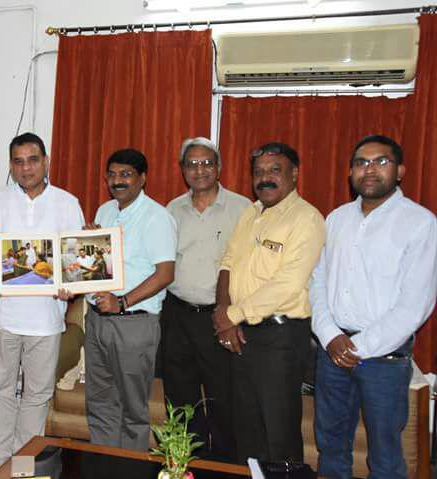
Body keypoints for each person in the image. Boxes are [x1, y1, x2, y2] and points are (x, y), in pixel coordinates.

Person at [310, 135, 437, 479]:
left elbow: (415, 304)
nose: (369, 169)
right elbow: (318, 281)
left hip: (384, 359)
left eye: (381, 161)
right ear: (350, 172)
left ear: (400, 171)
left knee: (385, 455)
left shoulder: (420, 223)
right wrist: (330, 336)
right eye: (361, 163)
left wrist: (356, 347)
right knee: (330, 446)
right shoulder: (336, 219)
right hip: (332, 351)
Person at [0, 132, 84, 478]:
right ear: (11, 165)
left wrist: (71, 287)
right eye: (18, 161)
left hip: (46, 321)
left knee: (37, 396)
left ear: (45, 162)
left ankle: (21, 466)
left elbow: (74, 263)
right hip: (3, 317)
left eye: (33, 160)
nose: (26, 168)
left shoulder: (68, 203)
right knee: (1, 391)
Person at [212, 142, 325, 464]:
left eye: (275, 170)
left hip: (280, 338)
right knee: (246, 430)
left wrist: (232, 315)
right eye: (259, 172)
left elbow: (289, 283)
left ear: (294, 173)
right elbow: (228, 262)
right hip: (241, 332)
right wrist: (224, 313)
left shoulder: (307, 219)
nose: (265, 178)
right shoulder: (251, 212)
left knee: (279, 433)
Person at [163, 137, 251, 459]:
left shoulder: (243, 208)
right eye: (192, 164)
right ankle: (186, 464)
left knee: (224, 399)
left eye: (206, 163)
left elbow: (250, 265)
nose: (199, 170)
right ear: (182, 169)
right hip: (177, 315)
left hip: (220, 318)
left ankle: (224, 467)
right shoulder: (172, 210)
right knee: (180, 399)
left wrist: (235, 315)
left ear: (219, 167)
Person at [85, 148, 177, 451]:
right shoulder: (104, 211)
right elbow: (100, 266)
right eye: (112, 175)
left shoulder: (157, 217)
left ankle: (130, 467)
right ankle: (106, 463)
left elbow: (165, 274)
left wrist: (123, 302)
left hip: (133, 323)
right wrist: (88, 246)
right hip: (97, 320)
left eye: (126, 174)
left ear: (142, 178)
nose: (117, 181)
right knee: (100, 402)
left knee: (132, 408)